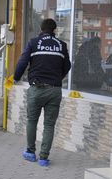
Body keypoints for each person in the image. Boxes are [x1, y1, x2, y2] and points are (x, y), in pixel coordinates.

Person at [14, 18, 71, 167]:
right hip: (54, 90)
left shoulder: (33, 43)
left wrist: (16, 77)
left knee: (32, 120)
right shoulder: (61, 45)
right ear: (54, 30)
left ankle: (30, 152)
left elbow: (22, 62)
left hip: (37, 89)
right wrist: (58, 77)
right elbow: (68, 66)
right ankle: (44, 158)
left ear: (41, 29)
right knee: (49, 125)